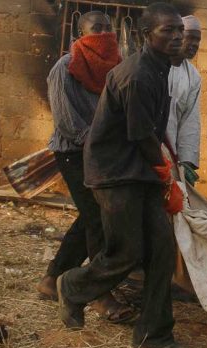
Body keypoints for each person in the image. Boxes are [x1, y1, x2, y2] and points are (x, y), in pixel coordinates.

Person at [56, 2, 189, 348]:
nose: (177, 37)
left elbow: (153, 131)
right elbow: (142, 134)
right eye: (168, 31)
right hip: (114, 173)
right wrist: (165, 176)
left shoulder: (160, 68)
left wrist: (162, 172)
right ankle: (72, 285)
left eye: (180, 31)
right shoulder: (138, 74)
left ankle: (155, 336)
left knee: (162, 249)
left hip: (137, 171)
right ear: (148, 35)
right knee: (125, 253)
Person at [36, 11, 137, 324]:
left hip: (103, 153)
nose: (104, 34)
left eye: (108, 28)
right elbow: (67, 123)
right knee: (97, 217)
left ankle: (53, 278)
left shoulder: (115, 67)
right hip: (74, 152)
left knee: (92, 214)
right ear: (80, 34)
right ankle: (97, 292)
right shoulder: (65, 67)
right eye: (97, 28)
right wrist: (99, 143)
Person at [166, 15, 202, 185]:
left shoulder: (193, 76)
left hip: (171, 154)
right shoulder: (155, 65)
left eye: (198, 40)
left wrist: (187, 162)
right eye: (191, 38)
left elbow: (190, 121)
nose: (194, 44)